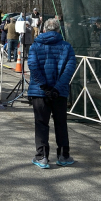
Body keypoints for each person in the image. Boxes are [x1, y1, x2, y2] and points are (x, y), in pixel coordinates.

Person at [27, 18, 77, 169]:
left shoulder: (35, 46)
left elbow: (33, 66)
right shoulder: (66, 47)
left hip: (40, 91)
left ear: (44, 30)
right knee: (61, 123)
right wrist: (57, 87)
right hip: (59, 93)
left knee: (41, 124)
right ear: (58, 30)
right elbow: (69, 69)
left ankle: (42, 156)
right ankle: (63, 155)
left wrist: (44, 86)